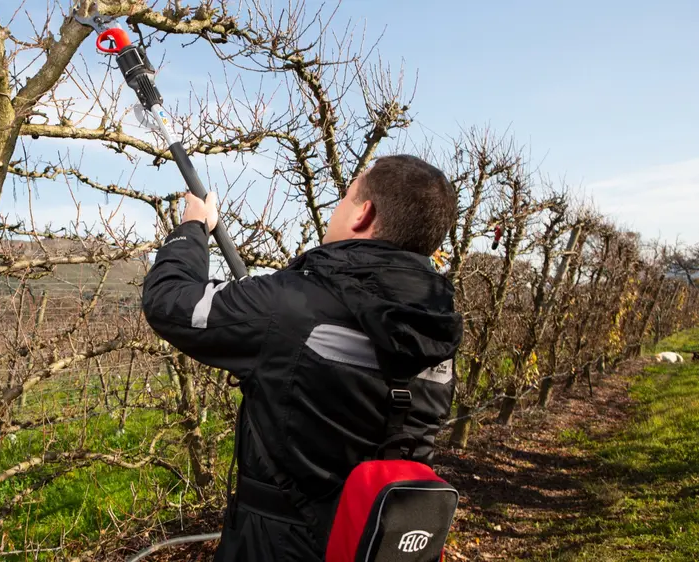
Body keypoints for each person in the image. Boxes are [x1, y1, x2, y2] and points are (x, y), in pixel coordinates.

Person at [141, 154, 463, 561]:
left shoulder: (290, 306)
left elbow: (169, 301)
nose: (337, 210)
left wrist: (191, 228)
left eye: (344, 200)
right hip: (376, 542)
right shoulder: (440, 327)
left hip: (278, 547)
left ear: (364, 214)